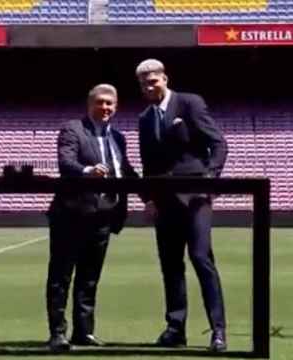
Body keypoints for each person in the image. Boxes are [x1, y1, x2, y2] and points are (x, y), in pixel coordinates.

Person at [135, 59, 229, 352]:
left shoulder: (189, 103)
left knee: (201, 259)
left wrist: (210, 178)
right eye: (144, 83)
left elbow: (219, 143)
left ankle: (218, 331)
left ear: (165, 78)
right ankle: (176, 328)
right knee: (171, 267)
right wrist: (148, 199)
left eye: (154, 80)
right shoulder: (144, 119)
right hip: (164, 202)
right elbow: (147, 164)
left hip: (194, 198)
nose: (150, 86)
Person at [45, 84, 138, 352]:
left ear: (116, 106)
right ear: (89, 104)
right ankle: (57, 334)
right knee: (61, 276)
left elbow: (126, 172)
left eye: (110, 103)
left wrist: (151, 195)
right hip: (71, 215)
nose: (105, 107)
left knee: (89, 278)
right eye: (100, 102)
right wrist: (88, 171)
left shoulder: (119, 138)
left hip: (104, 217)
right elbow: (65, 163)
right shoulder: (72, 129)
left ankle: (83, 332)